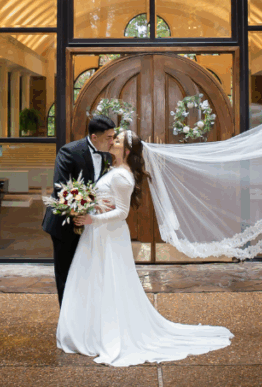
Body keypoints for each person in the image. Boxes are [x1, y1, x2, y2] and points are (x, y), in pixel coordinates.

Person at [56, 130, 233, 367]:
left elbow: (122, 213)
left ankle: (106, 333)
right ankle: (92, 330)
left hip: (107, 235)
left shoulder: (122, 176)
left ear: (126, 151)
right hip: (100, 234)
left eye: (117, 141)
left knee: (109, 281)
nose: (112, 142)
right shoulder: (116, 170)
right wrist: (93, 207)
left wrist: (92, 219)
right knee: (96, 279)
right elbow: (108, 202)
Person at [42, 115, 115, 307]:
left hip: (90, 225)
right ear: (94, 137)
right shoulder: (69, 151)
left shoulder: (107, 155)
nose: (112, 141)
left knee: (85, 274)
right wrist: (93, 202)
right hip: (65, 225)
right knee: (66, 274)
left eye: (113, 137)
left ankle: (82, 317)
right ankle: (67, 323)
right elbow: (61, 189)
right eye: (108, 137)